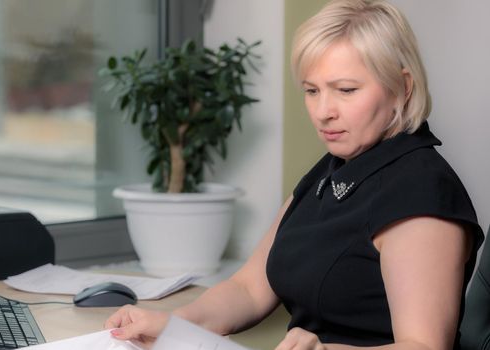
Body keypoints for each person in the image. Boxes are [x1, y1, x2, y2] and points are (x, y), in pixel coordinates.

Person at [105, 0, 484, 349]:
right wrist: (173, 325)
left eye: (346, 90)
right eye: (312, 90)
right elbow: (250, 288)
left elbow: (423, 346)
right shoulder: (334, 169)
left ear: (402, 87)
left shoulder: (422, 192)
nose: (323, 111)